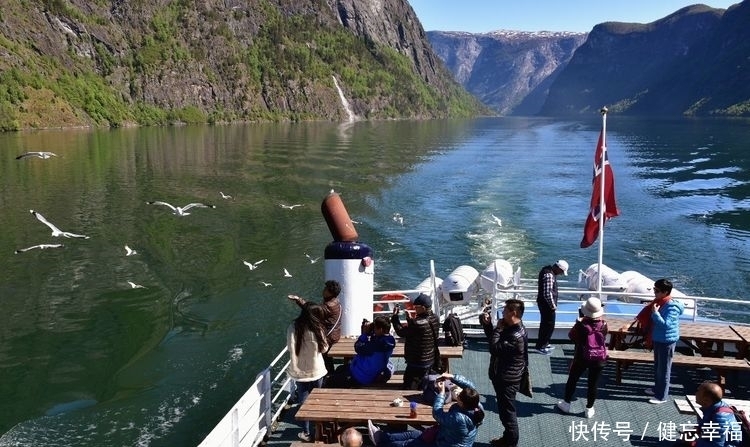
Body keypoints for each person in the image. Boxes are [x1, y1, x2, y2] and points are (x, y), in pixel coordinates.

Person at [367, 372, 484, 447]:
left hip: (445, 444)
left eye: (458, 397)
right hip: (446, 436)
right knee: (412, 433)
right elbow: (469, 386)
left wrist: (441, 393)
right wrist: (452, 377)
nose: (456, 395)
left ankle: (381, 443)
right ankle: (380, 436)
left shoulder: (459, 418)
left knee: (409, 444)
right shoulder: (476, 405)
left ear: (462, 403)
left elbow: (437, 413)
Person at [479, 298, 528, 447]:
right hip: (504, 375)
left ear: (513, 312)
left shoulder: (515, 335)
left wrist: (498, 329)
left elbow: (494, 348)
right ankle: (506, 440)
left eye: (505, 310)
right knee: (504, 412)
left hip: (508, 379)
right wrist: (488, 326)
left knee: (508, 415)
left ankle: (511, 443)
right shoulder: (511, 327)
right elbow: (494, 341)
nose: (503, 312)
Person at [556, 297, 608, 419]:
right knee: (593, 384)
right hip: (599, 358)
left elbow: (571, 336)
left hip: (581, 357)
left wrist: (579, 321)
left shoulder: (581, 325)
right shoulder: (604, 324)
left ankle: (566, 404)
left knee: (573, 380)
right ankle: (589, 409)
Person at [286, 302, 328, 442]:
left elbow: (290, 348)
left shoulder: (293, 327)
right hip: (317, 370)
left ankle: (306, 432)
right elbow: (324, 349)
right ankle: (319, 429)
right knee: (318, 399)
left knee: (303, 402)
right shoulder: (317, 328)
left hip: (300, 372)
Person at [640, 278, 685, 404]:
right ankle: (657, 389)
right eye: (654, 289)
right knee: (658, 367)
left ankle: (662, 396)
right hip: (659, 339)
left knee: (664, 369)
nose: (655, 292)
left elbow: (666, 325)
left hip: (667, 341)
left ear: (666, 292)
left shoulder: (672, 307)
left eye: (657, 290)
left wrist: (655, 313)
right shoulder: (660, 302)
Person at [288, 280, 342, 375]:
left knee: (324, 356)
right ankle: (329, 374)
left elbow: (311, 310)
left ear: (330, 292)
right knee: (327, 358)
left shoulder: (328, 306)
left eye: (325, 289)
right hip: (335, 334)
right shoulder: (335, 301)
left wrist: (298, 299)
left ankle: (328, 376)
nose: (323, 290)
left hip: (329, 337)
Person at [326, 316, 396, 387]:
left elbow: (358, 347)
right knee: (339, 369)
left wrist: (364, 334)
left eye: (375, 328)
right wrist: (370, 332)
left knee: (330, 382)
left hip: (360, 377)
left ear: (380, 329)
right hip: (361, 370)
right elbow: (373, 342)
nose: (373, 330)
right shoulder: (388, 340)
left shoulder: (376, 345)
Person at [391, 293, 440, 390]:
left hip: (417, 361)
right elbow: (422, 332)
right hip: (430, 359)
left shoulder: (417, 323)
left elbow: (401, 332)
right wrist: (410, 320)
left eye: (416, 307)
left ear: (423, 308)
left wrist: (395, 317)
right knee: (424, 384)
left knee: (409, 386)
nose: (415, 309)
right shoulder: (435, 318)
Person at [677, 381, 737, 447]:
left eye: (698, 391)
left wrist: (692, 442)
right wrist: (693, 432)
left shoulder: (720, 419)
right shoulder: (713, 407)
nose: (695, 393)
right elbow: (704, 424)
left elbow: (717, 445)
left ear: (706, 400)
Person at [535, 259, 568, 354]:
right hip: (547, 305)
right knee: (548, 326)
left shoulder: (547, 271)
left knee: (546, 325)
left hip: (544, 304)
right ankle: (541, 346)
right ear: (557, 268)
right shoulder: (549, 275)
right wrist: (553, 306)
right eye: (561, 272)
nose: (561, 274)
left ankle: (545, 343)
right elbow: (547, 293)